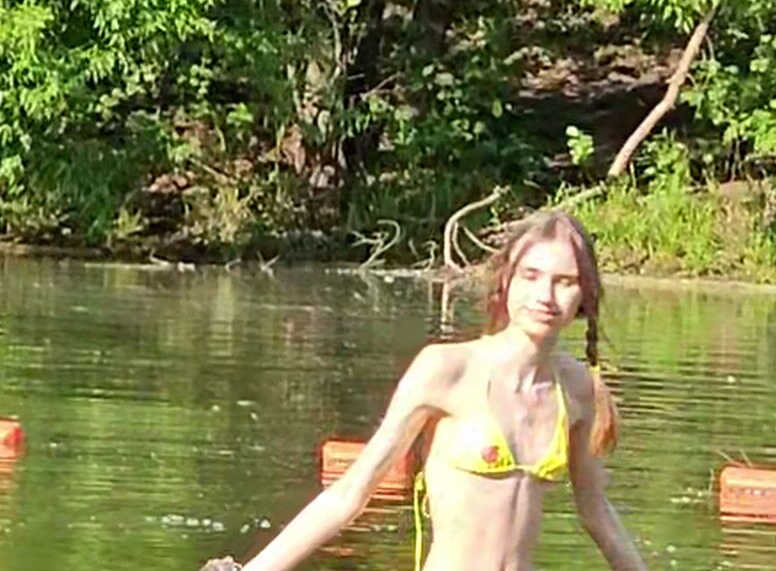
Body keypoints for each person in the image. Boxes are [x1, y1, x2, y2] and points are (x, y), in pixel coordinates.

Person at [202, 210, 649, 571]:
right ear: (506, 281)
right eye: (531, 276)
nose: (545, 296)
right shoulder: (446, 370)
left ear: (585, 296)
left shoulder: (575, 390)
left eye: (564, 282)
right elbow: (350, 492)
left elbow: (597, 512)